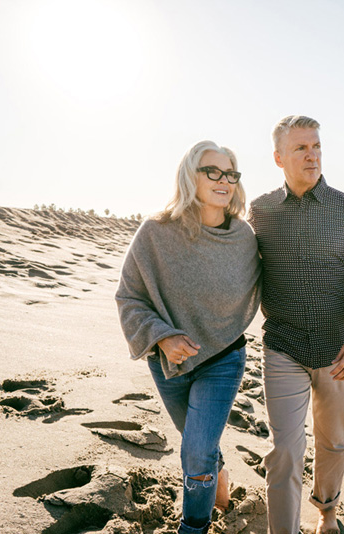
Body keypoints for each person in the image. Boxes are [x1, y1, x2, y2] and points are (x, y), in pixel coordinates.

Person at [248, 116, 344, 534]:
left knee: (333, 443)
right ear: (279, 158)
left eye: (316, 146)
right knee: (286, 451)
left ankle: (327, 512)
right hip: (283, 345)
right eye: (301, 148)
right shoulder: (261, 211)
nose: (312, 155)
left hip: (338, 349)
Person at [116, 140, 261, 534]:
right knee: (200, 445)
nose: (223, 180)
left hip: (224, 358)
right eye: (212, 171)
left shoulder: (244, 238)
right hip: (168, 361)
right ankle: (220, 472)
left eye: (230, 174)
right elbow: (129, 296)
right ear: (189, 175)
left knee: (195, 450)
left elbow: (276, 282)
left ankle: (193, 527)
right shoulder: (156, 232)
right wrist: (162, 337)